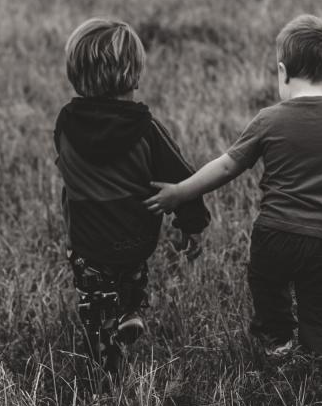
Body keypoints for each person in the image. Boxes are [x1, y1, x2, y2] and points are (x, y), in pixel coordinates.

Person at [145, 15, 322, 367]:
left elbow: (226, 166)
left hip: (276, 235)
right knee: (321, 308)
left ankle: (278, 340)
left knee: (268, 287)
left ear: (283, 72)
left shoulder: (269, 119)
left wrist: (180, 191)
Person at [54, 18, 209, 369]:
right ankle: (130, 310)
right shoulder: (146, 129)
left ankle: (106, 359)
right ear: (134, 76)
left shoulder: (65, 123)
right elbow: (182, 178)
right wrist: (192, 224)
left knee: (95, 305)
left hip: (87, 242)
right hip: (135, 237)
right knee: (131, 275)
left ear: (75, 74)